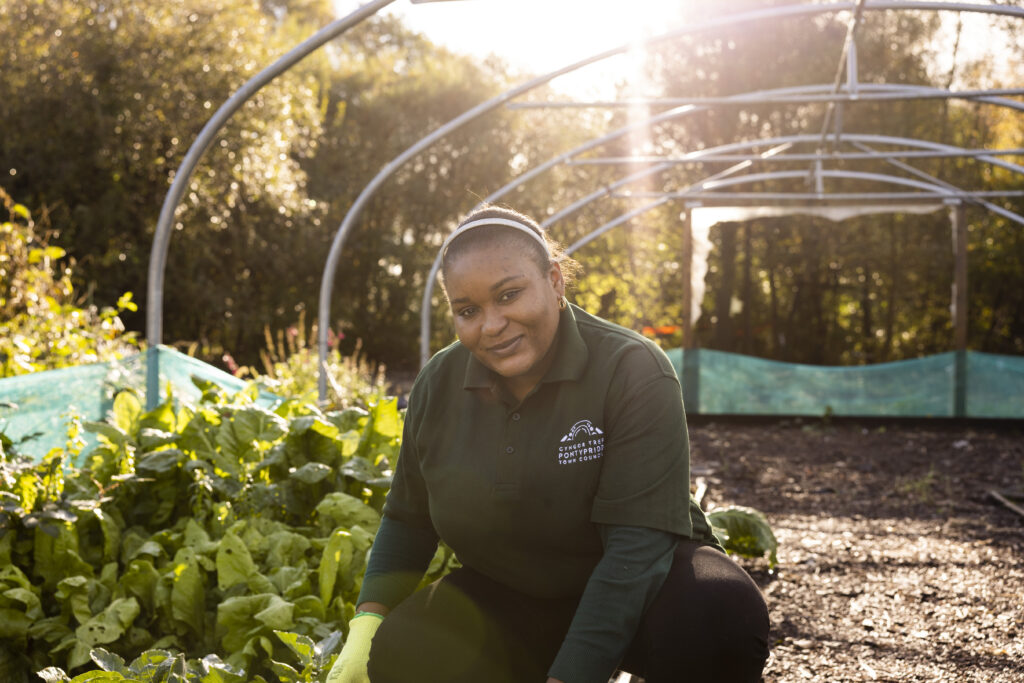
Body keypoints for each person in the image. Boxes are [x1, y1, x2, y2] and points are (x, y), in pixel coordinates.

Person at [327, 206, 770, 683]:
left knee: (720, 616)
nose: (492, 325)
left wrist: (572, 675)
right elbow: (407, 519)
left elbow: (636, 549)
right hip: (512, 596)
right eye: (468, 310)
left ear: (555, 282)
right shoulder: (439, 382)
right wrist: (366, 625)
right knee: (404, 649)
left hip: (645, 591)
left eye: (509, 294)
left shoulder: (632, 369)